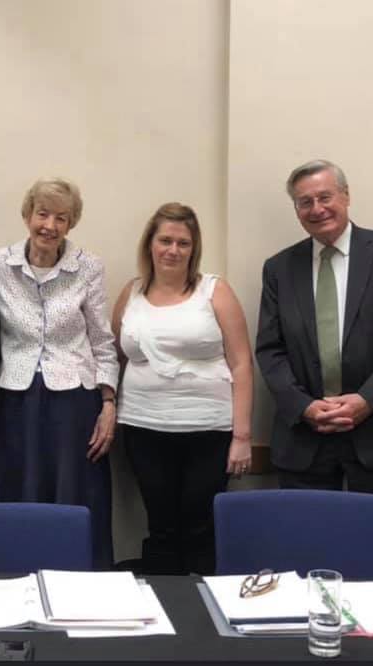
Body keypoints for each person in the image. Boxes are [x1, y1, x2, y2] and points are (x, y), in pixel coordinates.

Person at [254, 159, 373, 579]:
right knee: (306, 557)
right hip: (306, 437)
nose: (316, 209)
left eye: (324, 197)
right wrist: (306, 406)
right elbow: (270, 350)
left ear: (346, 197)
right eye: (304, 202)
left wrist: (367, 400)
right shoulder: (279, 268)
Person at [111, 203, 253, 575]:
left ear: (194, 249)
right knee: (160, 525)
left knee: (200, 525)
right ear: (150, 244)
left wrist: (242, 435)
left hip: (209, 430)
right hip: (143, 428)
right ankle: (165, 617)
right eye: (165, 240)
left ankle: (203, 620)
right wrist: (108, 407)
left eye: (183, 243)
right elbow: (114, 357)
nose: (173, 250)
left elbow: (241, 363)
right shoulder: (132, 293)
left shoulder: (214, 291)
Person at [0, 177, 119, 569]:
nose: (50, 225)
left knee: (74, 494)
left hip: (74, 400)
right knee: (18, 491)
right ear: (28, 214)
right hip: (15, 397)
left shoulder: (88, 267)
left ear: (71, 223)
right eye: (43, 214)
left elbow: (102, 340)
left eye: (61, 217)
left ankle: (77, 580)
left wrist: (108, 403)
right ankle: (15, 574)